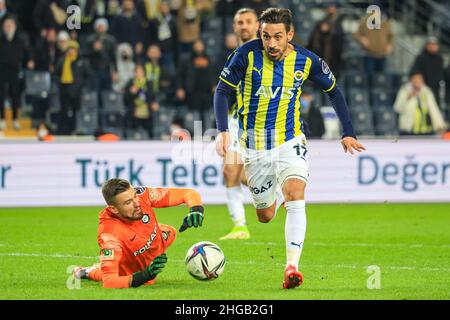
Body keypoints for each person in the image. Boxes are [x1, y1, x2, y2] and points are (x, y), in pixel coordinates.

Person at [213, 8, 365, 289]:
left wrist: (348, 132)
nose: (271, 43)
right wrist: (223, 130)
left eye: (277, 37)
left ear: (290, 35)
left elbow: (334, 90)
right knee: (265, 215)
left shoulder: (307, 61)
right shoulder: (246, 55)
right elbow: (222, 91)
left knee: (296, 193)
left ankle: (291, 267)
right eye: (266, 36)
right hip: (254, 146)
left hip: (290, 140)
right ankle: (274, 194)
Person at [73, 178, 204, 288]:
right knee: (141, 280)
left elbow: (188, 193)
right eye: (128, 202)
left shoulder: (142, 195)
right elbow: (110, 282)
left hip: (158, 238)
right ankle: (86, 272)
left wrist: (196, 209)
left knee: (171, 231)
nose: (137, 203)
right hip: (135, 263)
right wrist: (145, 275)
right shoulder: (109, 236)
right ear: (114, 209)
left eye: (134, 196)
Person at [219, 8, 259, 241]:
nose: (243, 26)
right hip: (237, 121)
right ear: (234, 27)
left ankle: (272, 193)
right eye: (239, 22)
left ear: (257, 26)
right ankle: (240, 226)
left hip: (264, 122)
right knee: (229, 170)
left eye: (248, 22)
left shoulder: (268, 52)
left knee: (251, 175)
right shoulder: (234, 56)